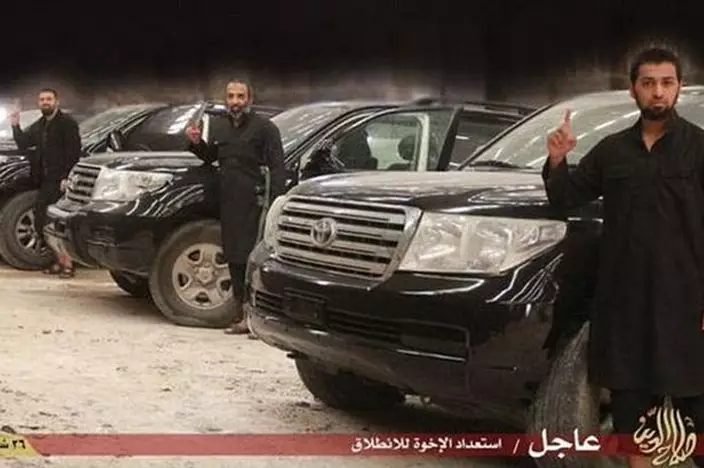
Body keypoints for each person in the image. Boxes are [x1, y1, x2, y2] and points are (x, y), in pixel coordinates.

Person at [543, 46, 704, 468]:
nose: (658, 92)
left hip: (686, 307)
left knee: (696, 417)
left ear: (679, 88)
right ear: (634, 89)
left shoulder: (699, 148)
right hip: (625, 309)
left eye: (667, 83)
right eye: (648, 83)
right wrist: (557, 160)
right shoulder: (611, 151)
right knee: (632, 422)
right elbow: (565, 197)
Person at [185, 80, 286, 336]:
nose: (235, 102)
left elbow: (277, 167)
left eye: (240, 96)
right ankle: (241, 314)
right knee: (234, 257)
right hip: (229, 202)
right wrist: (197, 144)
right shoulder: (220, 126)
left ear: (250, 100)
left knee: (252, 258)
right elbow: (212, 157)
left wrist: (275, 202)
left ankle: (257, 317)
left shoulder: (265, 128)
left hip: (255, 203)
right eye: (231, 96)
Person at [11, 88, 81, 278]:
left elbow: (74, 152)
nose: (45, 102)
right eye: (42, 99)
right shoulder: (41, 123)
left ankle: (68, 265)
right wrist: (15, 125)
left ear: (56, 101)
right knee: (44, 221)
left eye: (49, 99)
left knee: (57, 223)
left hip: (59, 180)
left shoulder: (67, 123)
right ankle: (59, 262)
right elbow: (24, 143)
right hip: (45, 179)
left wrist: (66, 177)